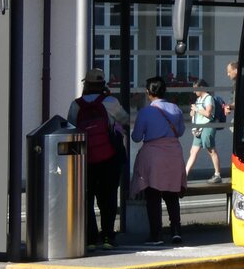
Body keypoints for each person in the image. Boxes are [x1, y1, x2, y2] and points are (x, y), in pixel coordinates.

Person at [67, 68, 128, 250]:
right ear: (102, 85)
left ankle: (91, 239)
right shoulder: (110, 102)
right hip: (109, 158)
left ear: (86, 84)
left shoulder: (76, 105)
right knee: (108, 198)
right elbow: (124, 120)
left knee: (87, 198)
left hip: (85, 158)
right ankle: (108, 237)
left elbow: (70, 127)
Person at [131, 76, 187, 246]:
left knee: (153, 195)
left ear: (148, 92)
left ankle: (156, 235)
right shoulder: (175, 109)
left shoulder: (146, 112)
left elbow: (136, 137)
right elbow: (180, 131)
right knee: (171, 195)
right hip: (174, 154)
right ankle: (176, 231)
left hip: (153, 156)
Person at [185, 80, 223, 183]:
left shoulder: (208, 98)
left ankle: (217, 174)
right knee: (193, 151)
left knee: (211, 150)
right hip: (199, 128)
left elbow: (208, 113)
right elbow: (198, 114)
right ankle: (184, 175)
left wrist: (197, 109)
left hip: (207, 126)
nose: (194, 91)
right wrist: (193, 113)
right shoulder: (199, 99)